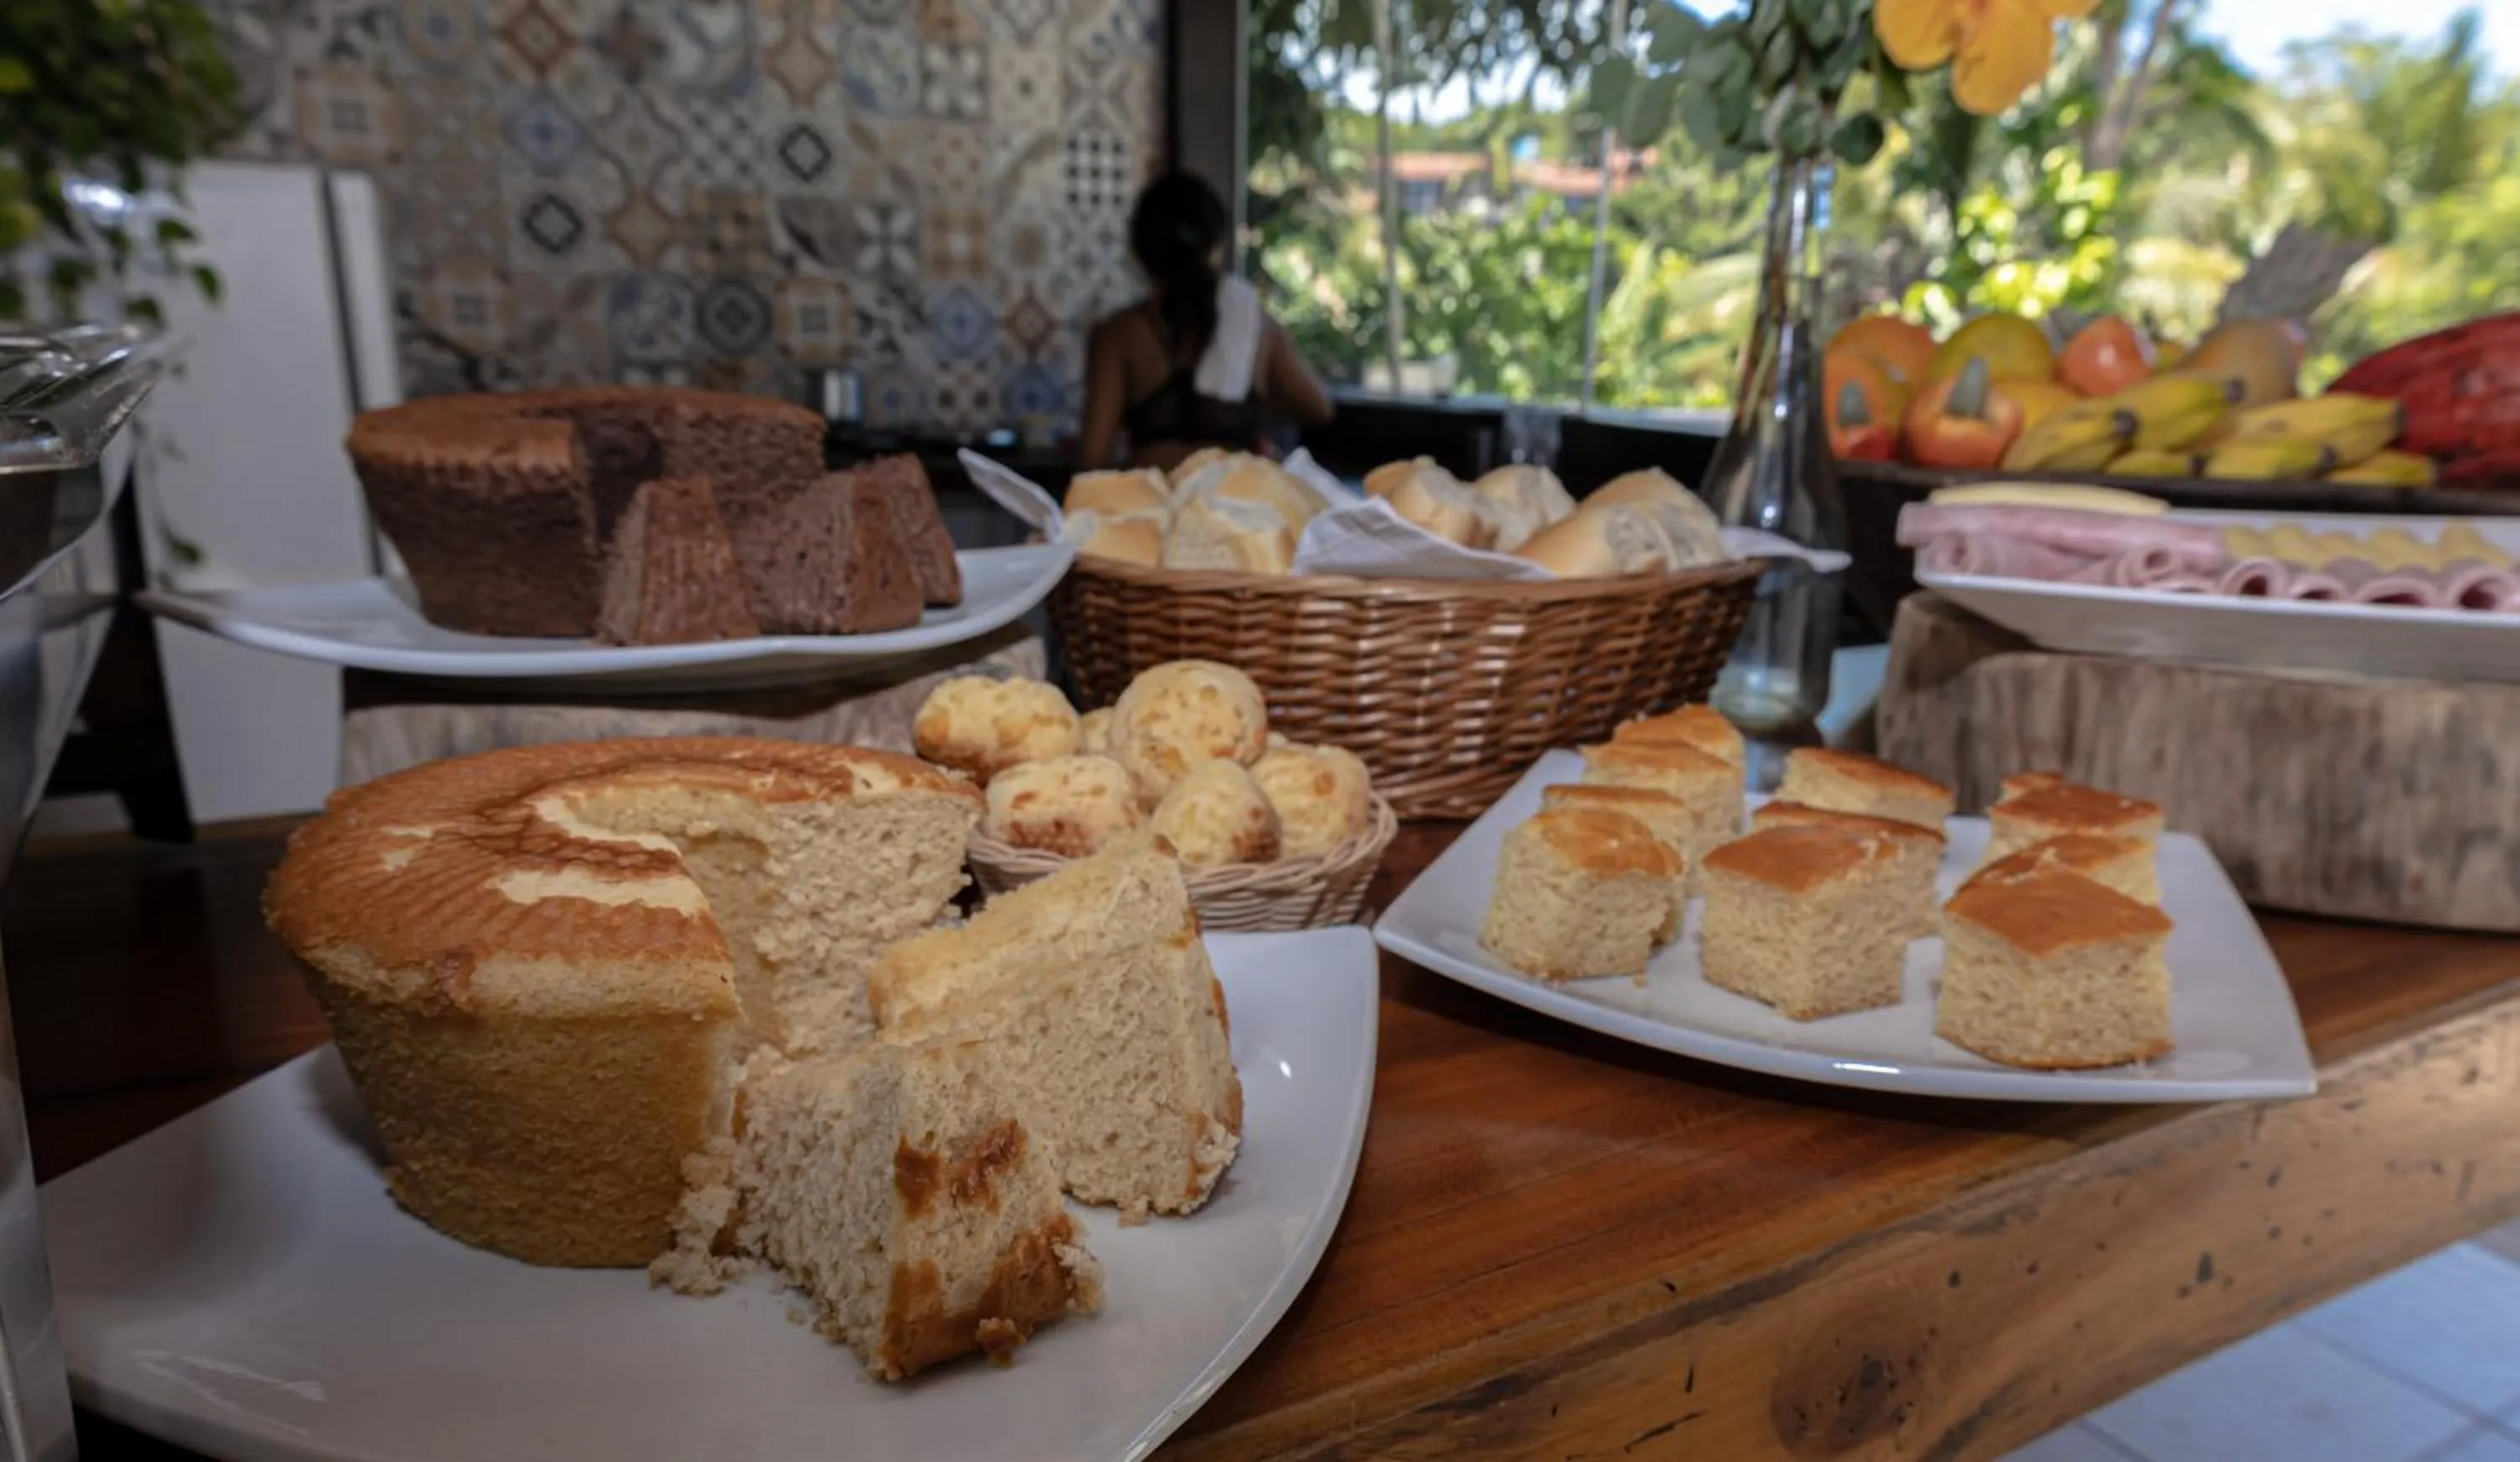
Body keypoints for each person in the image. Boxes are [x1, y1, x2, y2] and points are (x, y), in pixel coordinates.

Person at [1077, 171, 1333, 471]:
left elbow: (1092, 459)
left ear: (1141, 251)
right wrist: (1256, 398)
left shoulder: (1119, 334)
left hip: (1157, 505)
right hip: (1240, 508)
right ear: (1216, 244)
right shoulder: (1255, 323)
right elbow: (1318, 407)